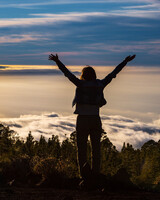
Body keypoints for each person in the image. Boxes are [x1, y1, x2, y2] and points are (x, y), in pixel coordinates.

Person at [48, 53, 136, 188]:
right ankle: (95, 175)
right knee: (96, 149)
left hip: (82, 119)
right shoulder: (100, 84)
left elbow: (67, 74)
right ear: (94, 75)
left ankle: (84, 176)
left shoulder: (80, 84)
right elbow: (113, 73)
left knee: (81, 149)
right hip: (95, 119)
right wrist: (125, 61)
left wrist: (57, 61)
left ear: (84, 75)